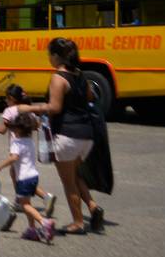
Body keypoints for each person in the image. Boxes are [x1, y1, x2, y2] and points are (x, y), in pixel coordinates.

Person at [19, 37, 106, 234]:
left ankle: (77, 222)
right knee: (75, 175)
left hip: (67, 135)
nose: (49, 58)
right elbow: (91, 96)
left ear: (57, 56)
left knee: (69, 183)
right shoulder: (80, 75)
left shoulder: (59, 77)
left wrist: (29, 108)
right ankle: (92, 206)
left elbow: (54, 107)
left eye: (49, 54)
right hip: (86, 135)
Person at [0, 84, 57, 216]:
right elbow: (37, 125)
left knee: (20, 177)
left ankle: (32, 199)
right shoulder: (27, 110)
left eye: (6, 98)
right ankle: (26, 199)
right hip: (28, 145)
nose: (5, 101)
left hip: (16, 146)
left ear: (11, 98)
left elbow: (3, 130)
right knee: (19, 174)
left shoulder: (9, 111)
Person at [0, 112, 56, 243]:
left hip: (24, 178)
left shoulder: (17, 143)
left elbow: (14, 158)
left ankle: (44, 222)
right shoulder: (29, 141)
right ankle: (32, 229)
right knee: (28, 203)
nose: (13, 131)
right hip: (33, 176)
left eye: (14, 129)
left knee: (25, 205)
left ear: (18, 129)